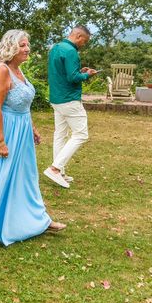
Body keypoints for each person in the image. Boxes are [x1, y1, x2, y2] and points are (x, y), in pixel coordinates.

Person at [0, 30, 66, 249]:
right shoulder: (2, 70)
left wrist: (32, 128)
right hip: (5, 130)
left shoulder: (19, 71)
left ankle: (36, 220)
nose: (28, 49)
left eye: (28, 45)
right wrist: (0, 141)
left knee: (24, 178)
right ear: (12, 47)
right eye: (23, 45)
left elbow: (23, 106)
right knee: (2, 176)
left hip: (22, 131)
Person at [43, 25, 98, 189]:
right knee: (81, 134)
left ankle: (60, 172)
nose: (84, 44)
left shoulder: (56, 48)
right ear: (79, 37)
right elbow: (73, 78)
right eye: (85, 41)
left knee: (60, 134)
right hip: (69, 99)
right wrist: (87, 74)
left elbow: (64, 72)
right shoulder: (71, 51)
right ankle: (55, 168)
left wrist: (80, 71)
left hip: (56, 98)